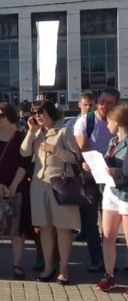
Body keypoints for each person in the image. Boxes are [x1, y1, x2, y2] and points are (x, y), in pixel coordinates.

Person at [20, 99, 80, 285]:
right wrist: (31, 132)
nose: (37, 116)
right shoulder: (35, 132)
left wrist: (55, 149)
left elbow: (75, 157)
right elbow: (23, 153)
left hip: (60, 185)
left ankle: (63, 268)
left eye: (40, 112)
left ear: (50, 113)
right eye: (34, 113)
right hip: (39, 185)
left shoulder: (63, 130)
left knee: (62, 228)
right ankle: (48, 266)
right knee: (44, 228)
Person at [0, 103, 31, 279]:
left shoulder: (20, 137)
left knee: (17, 230)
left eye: (1, 115)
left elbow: (25, 163)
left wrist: (15, 185)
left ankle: (17, 265)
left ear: (10, 117)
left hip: (17, 187)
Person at [74, 88, 120, 272]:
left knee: (113, 221)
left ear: (116, 104)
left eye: (109, 103)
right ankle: (97, 258)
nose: (104, 106)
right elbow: (81, 147)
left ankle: (111, 260)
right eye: (102, 101)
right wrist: (88, 162)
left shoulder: (120, 123)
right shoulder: (86, 121)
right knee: (90, 219)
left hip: (114, 178)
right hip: (90, 176)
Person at [95, 106, 128, 293]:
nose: (107, 124)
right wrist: (95, 167)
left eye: (109, 121)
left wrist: (119, 172)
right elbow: (109, 164)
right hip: (110, 191)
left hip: (126, 194)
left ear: (117, 122)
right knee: (107, 236)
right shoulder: (113, 141)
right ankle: (109, 277)